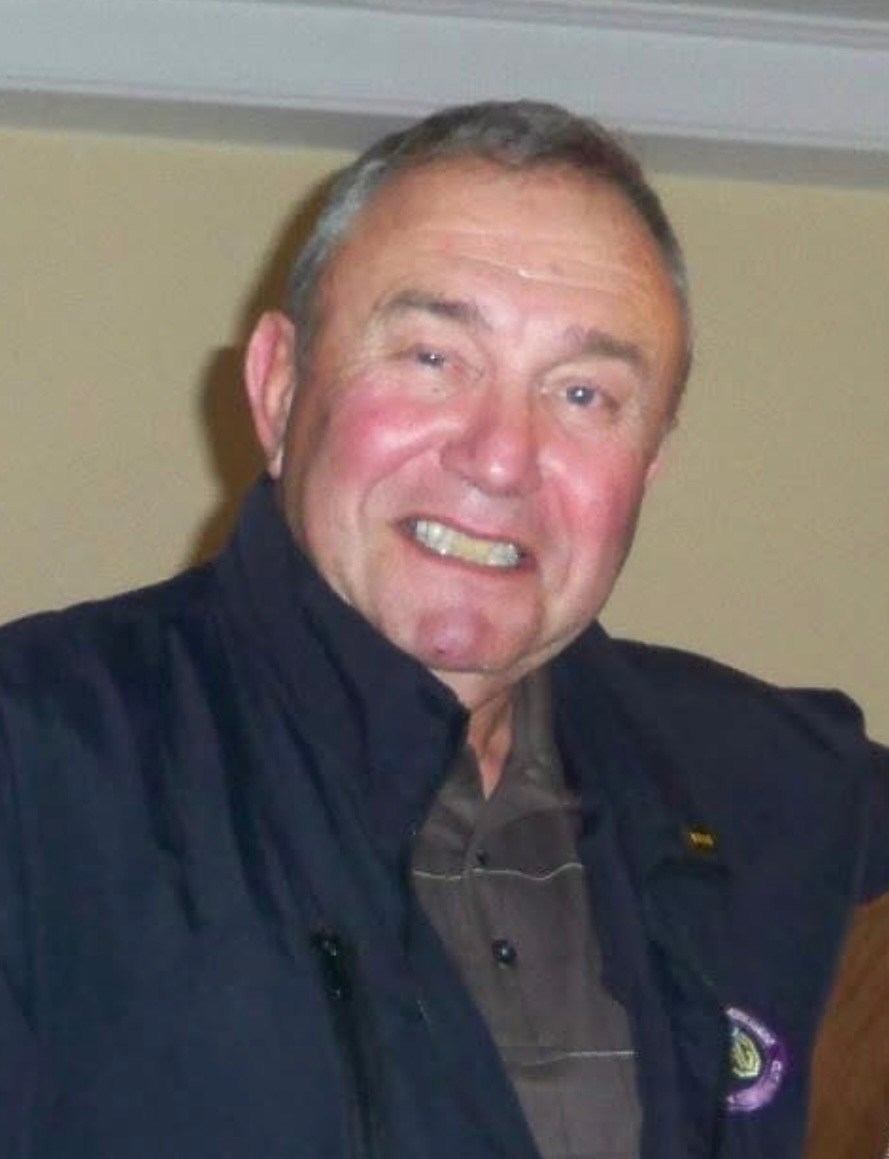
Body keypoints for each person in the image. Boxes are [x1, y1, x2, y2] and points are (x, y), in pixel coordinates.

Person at [0, 100, 885, 1159]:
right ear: (278, 388)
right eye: (431, 357)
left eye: (583, 394)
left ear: (648, 466)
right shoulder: (36, 770)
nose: (500, 456)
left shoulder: (771, 786)